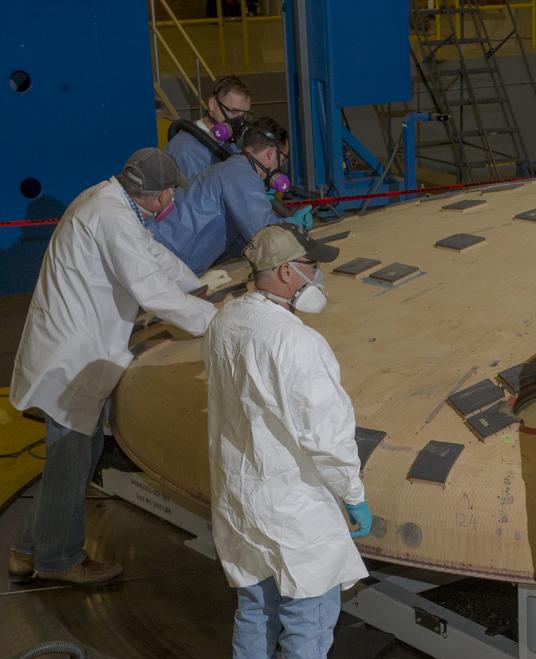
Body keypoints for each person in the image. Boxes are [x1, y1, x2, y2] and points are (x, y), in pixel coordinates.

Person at [203, 222, 384, 659]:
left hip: (240, 494)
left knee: (255, 611)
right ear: (286, 272)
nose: (316, 275)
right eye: (310, 266)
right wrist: (352, 493)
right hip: (292, 500)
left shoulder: (226, 321)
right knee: (308, 617)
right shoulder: (295, 340)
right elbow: (324, 432)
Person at [7, 149, 217, 586]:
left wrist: (198, 288)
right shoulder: (112, 216)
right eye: (170, 193)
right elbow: (150, 289)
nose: (172, 200)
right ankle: (59, 559)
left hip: (72, 349)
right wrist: (217, 321)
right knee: (72, 459)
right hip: (71, 357)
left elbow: (152, 256)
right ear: (158, 194)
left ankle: (26, 549)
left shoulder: (110, 202)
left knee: (74, 458)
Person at [150, 116, 312, 276]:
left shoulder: (231, 168)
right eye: (281, 160)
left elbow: (238, 241)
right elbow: (267, 238)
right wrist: (293, 226)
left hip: (163, 254)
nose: (280, 168)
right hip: (163, 260)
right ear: (271, 153)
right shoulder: (243, 176)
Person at [166, 75, 253, 179]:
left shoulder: (234, 145)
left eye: (244, 116)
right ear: (213, 105)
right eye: (234, 112)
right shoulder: (185, 149)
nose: (239, 122)